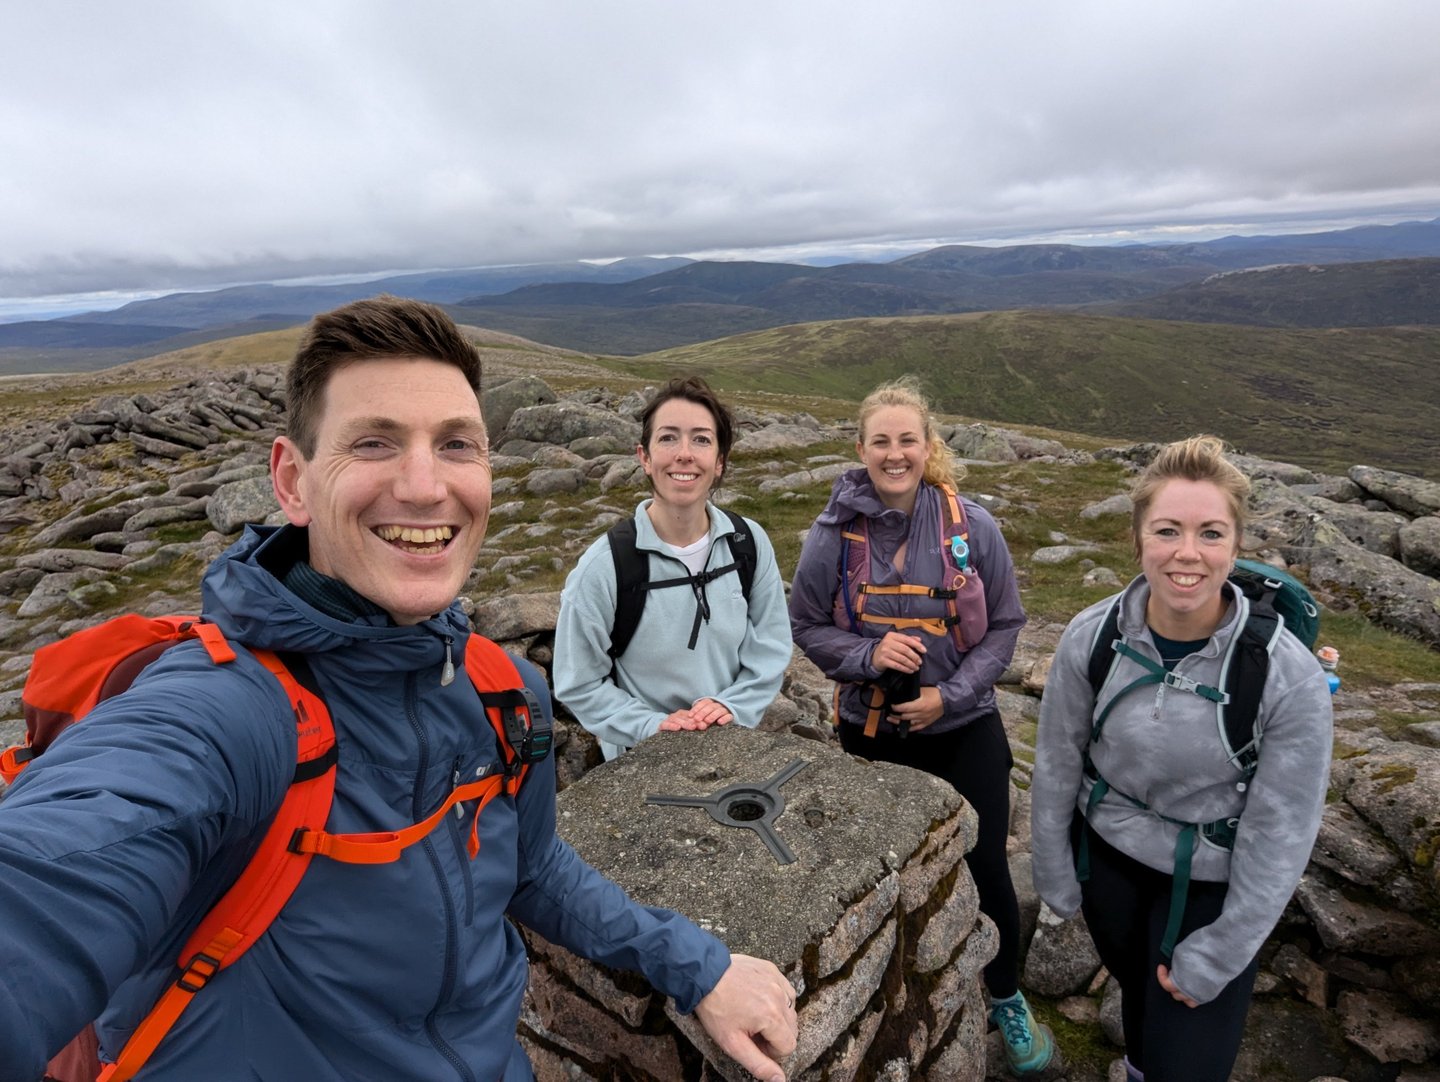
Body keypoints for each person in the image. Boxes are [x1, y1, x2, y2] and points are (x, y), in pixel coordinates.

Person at [0, 297, 798, 1082]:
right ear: (292, 480)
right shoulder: (223, 715)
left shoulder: (501, 691)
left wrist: (698, 966)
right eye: (374, 443)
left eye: (457, 445)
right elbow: (50, 881)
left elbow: (533, 870)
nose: (424, 487)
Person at [1030, 435, 1333, 1082]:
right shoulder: (1094, 635)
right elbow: (1058, 758)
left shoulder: (1287, 678)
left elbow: (1281, 832)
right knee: (1140, 1006)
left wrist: (1222, 953)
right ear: (1138, 539)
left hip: (1210, 891)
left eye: (1210, 533)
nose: (1187, 553)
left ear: (1234, 545)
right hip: (1105, 864)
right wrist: (1057, 874)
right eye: (1167, 530)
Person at [788, 378, 1055, 1077]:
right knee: (885, 871)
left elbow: (1004, 627)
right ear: (861, 449)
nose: (895, 453)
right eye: (882, 441)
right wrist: (867, 656)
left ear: (928, 446)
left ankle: (1005, 994)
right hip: (871, 734)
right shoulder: (832, 535)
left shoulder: (974, 529)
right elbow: (806, 625)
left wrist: (952, 693)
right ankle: (896, 991)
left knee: (988, 862)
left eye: (908, 439)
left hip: (964, 727)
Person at [553, 376, 791, 761]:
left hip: (732, 743)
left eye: (701, 439)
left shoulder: (748, 543)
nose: (684, 454)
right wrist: (651, 726)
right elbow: (578, 682)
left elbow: (771, 644)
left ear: (719, 462)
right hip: (642, 759)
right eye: (668, 438)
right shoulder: (606, 566)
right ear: (644, 457)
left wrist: (731, 705)